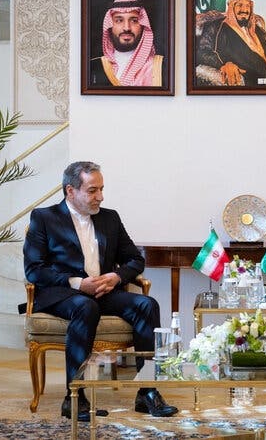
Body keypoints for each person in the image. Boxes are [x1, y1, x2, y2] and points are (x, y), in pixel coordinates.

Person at [23, 161, 178, 421]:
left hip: (103, 292)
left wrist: (116, 277)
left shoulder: (110, 218)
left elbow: (135, 259)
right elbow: (34, 270)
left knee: (147, 305)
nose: (100, 197)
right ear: (70, 191)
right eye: (93, 190)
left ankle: (147, 390)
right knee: (86, 306)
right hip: (62, 293)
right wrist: (77, 283)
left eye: (101, 189)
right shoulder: (44, 218)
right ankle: (75, 396)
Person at [196, 0, 266, 86]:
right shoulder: (217, 26)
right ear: (232, 6)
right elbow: (202, 51)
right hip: (251, 82)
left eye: (247, 6)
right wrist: (225, 64)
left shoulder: (255, 28)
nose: (244, 9)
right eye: (240, 5)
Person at [90, 0, 165, 87]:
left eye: (134, 21)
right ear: (109, 26)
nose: (127, 28)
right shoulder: (93, 67)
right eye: (119, 20)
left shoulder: (161, 66)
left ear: (143, 26)